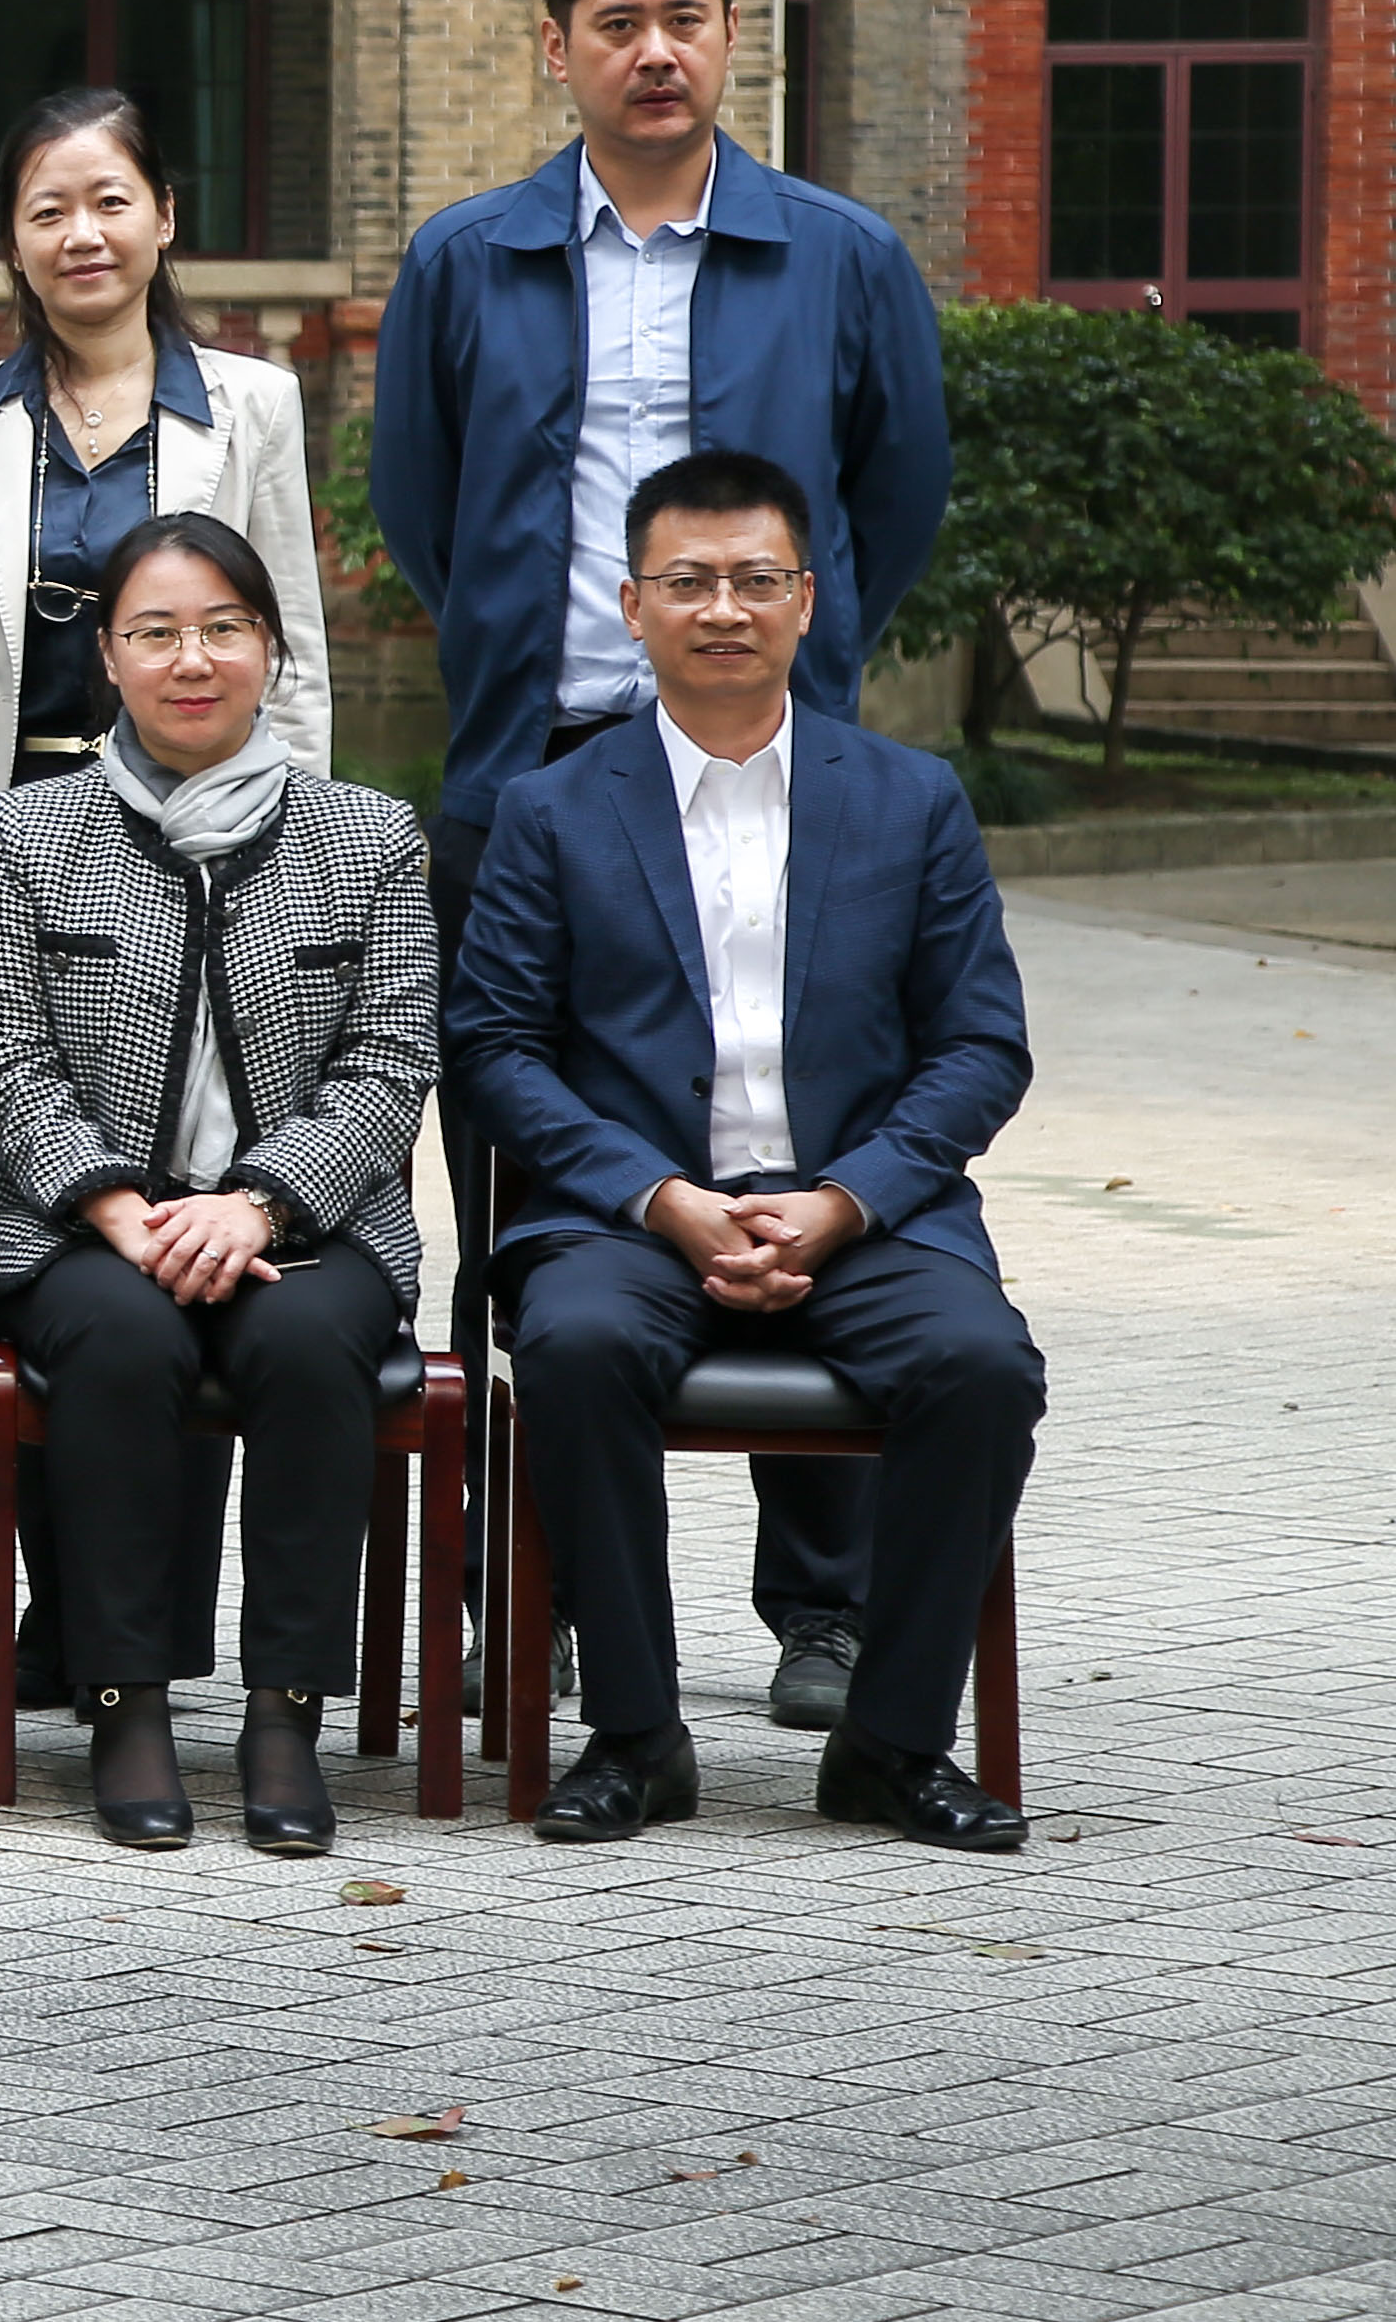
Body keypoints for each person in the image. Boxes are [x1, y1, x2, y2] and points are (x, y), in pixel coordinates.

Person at [374, 0, 948, 1732]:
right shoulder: (468, 259)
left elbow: (895, 497)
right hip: (537, 777)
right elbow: (422, 504)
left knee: (797, 1147)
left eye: (684, 18)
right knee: (526, 1180)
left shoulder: (839, 256)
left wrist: (791, 662)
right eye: (617, 23)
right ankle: (531, 1594)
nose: (654, 52)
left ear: (729, 37)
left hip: (777, 769)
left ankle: (826, 1608)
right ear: (558, 48)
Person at [446, 449, 1042, 1853]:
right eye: (689, 581)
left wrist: (849, 1200)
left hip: (863, 1216)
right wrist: (659, 1197)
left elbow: (981, 1046)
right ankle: (636, 1738)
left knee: (980, 1367)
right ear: (631, 605)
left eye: (756, 579)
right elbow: (496, 1048)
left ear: (807, 601)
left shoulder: (909, 798)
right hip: (629, 1219)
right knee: (577, 1348)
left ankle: (892, 1746)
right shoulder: (551, 808)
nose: (724, 608)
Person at [0, 81, 328, 1707]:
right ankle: (67, 1607)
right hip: (4, 876)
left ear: (164, 218)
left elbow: (291, 653)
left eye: (110, 200)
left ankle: (148, 1621)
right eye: (48, 208)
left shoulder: (250, 405)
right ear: (11, 239)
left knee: (198, 1215)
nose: (83, 233)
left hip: (215, 864)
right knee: (50, 1230)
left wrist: (298, 859)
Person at [0, 512, 432, 1857]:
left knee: (304, 1342)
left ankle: (285, 1715)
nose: (192, 658)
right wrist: (116, 1207)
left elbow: (392, 1061)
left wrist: (257, 1204)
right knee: (124, 1338)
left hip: (308, 1228)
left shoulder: (368, 835)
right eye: (155, 632)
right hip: (78, 1230)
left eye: (223, 628)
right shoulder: (32, 830)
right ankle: (126, 1702)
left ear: (270, 648)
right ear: (107, 657)